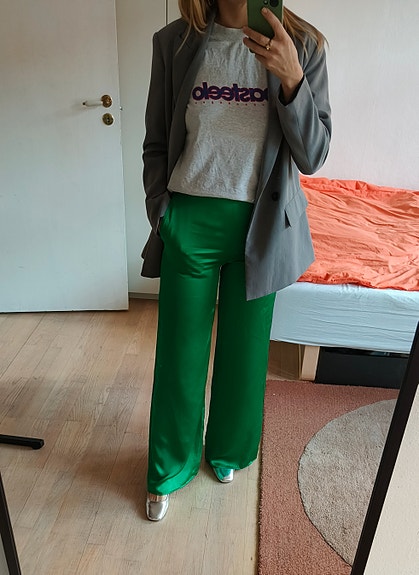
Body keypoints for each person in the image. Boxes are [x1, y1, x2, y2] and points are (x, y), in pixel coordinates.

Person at [141, 0, 331, 521]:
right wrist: (162, 211)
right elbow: (156, 140)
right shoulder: (175, 42)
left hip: (262, 226)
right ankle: (168, 467)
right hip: (189, 221)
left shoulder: (303, 45)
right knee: (178, 355)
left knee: (245, 357)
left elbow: (313, 155)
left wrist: (292, 80)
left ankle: (228, 450)